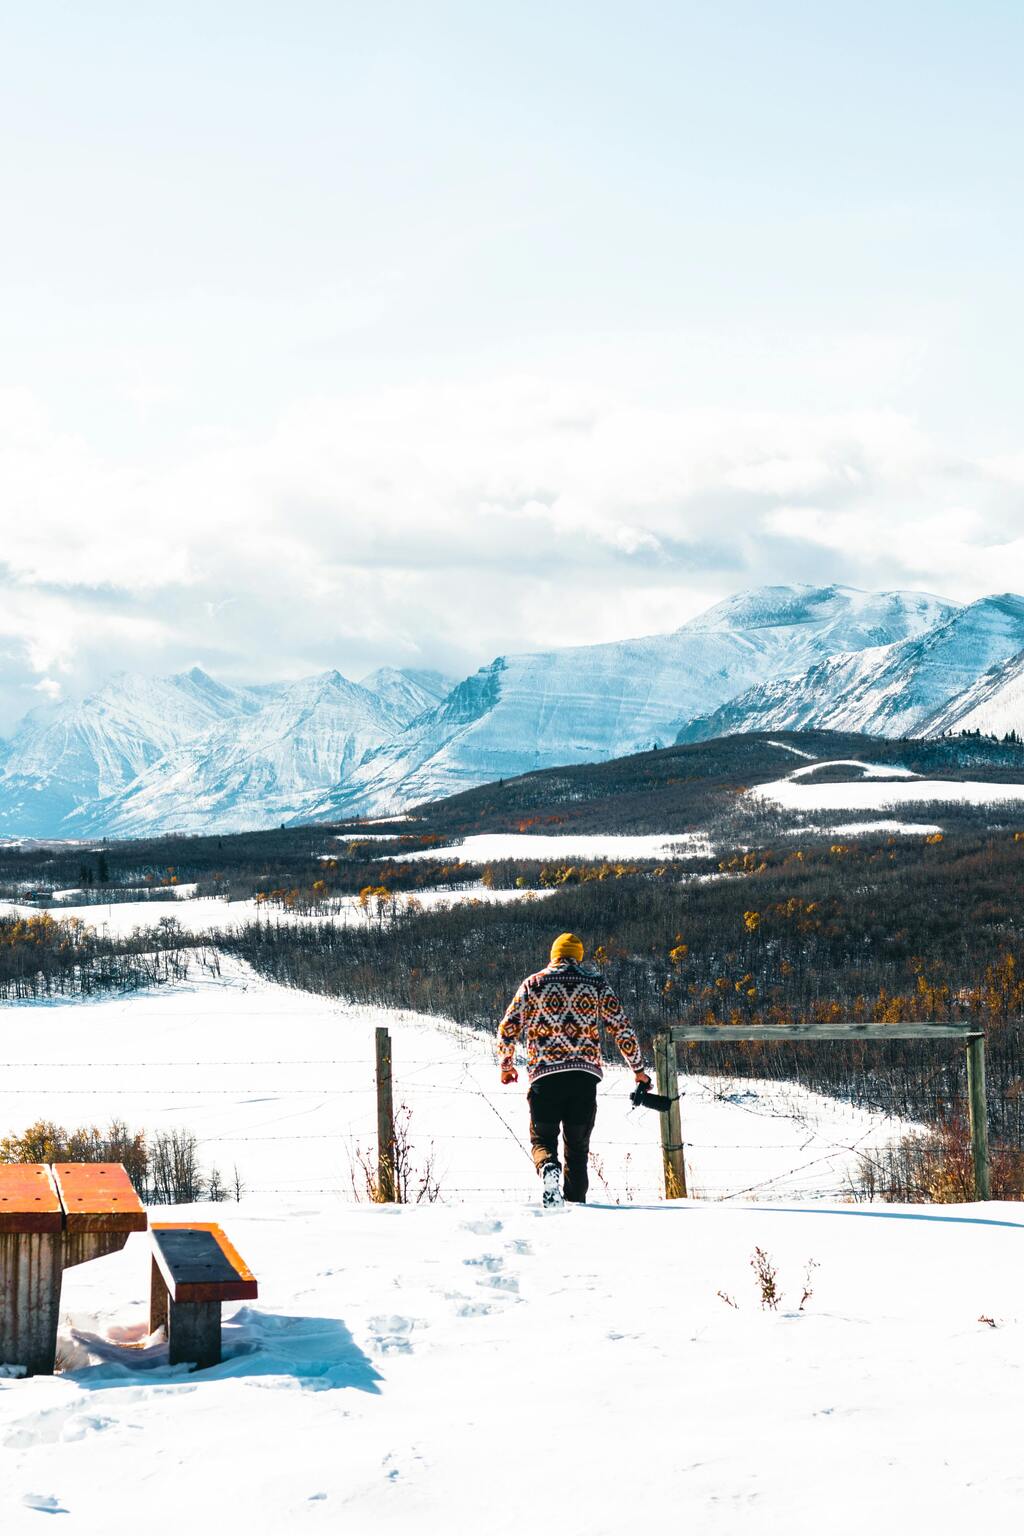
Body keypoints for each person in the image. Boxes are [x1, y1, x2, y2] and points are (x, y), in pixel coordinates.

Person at [498, 931, 652, 1205]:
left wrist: (506, 1065)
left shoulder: (533, 984)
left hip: (545, 1079)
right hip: (584, 1080)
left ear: (553, 955)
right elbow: (621, 1027)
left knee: (542, 1140)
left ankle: (547, 1167)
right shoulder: (596, 984)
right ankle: (577, 1211)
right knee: (578, 1152)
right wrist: (638, 1069)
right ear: (579, 956)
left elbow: (509, 1026)